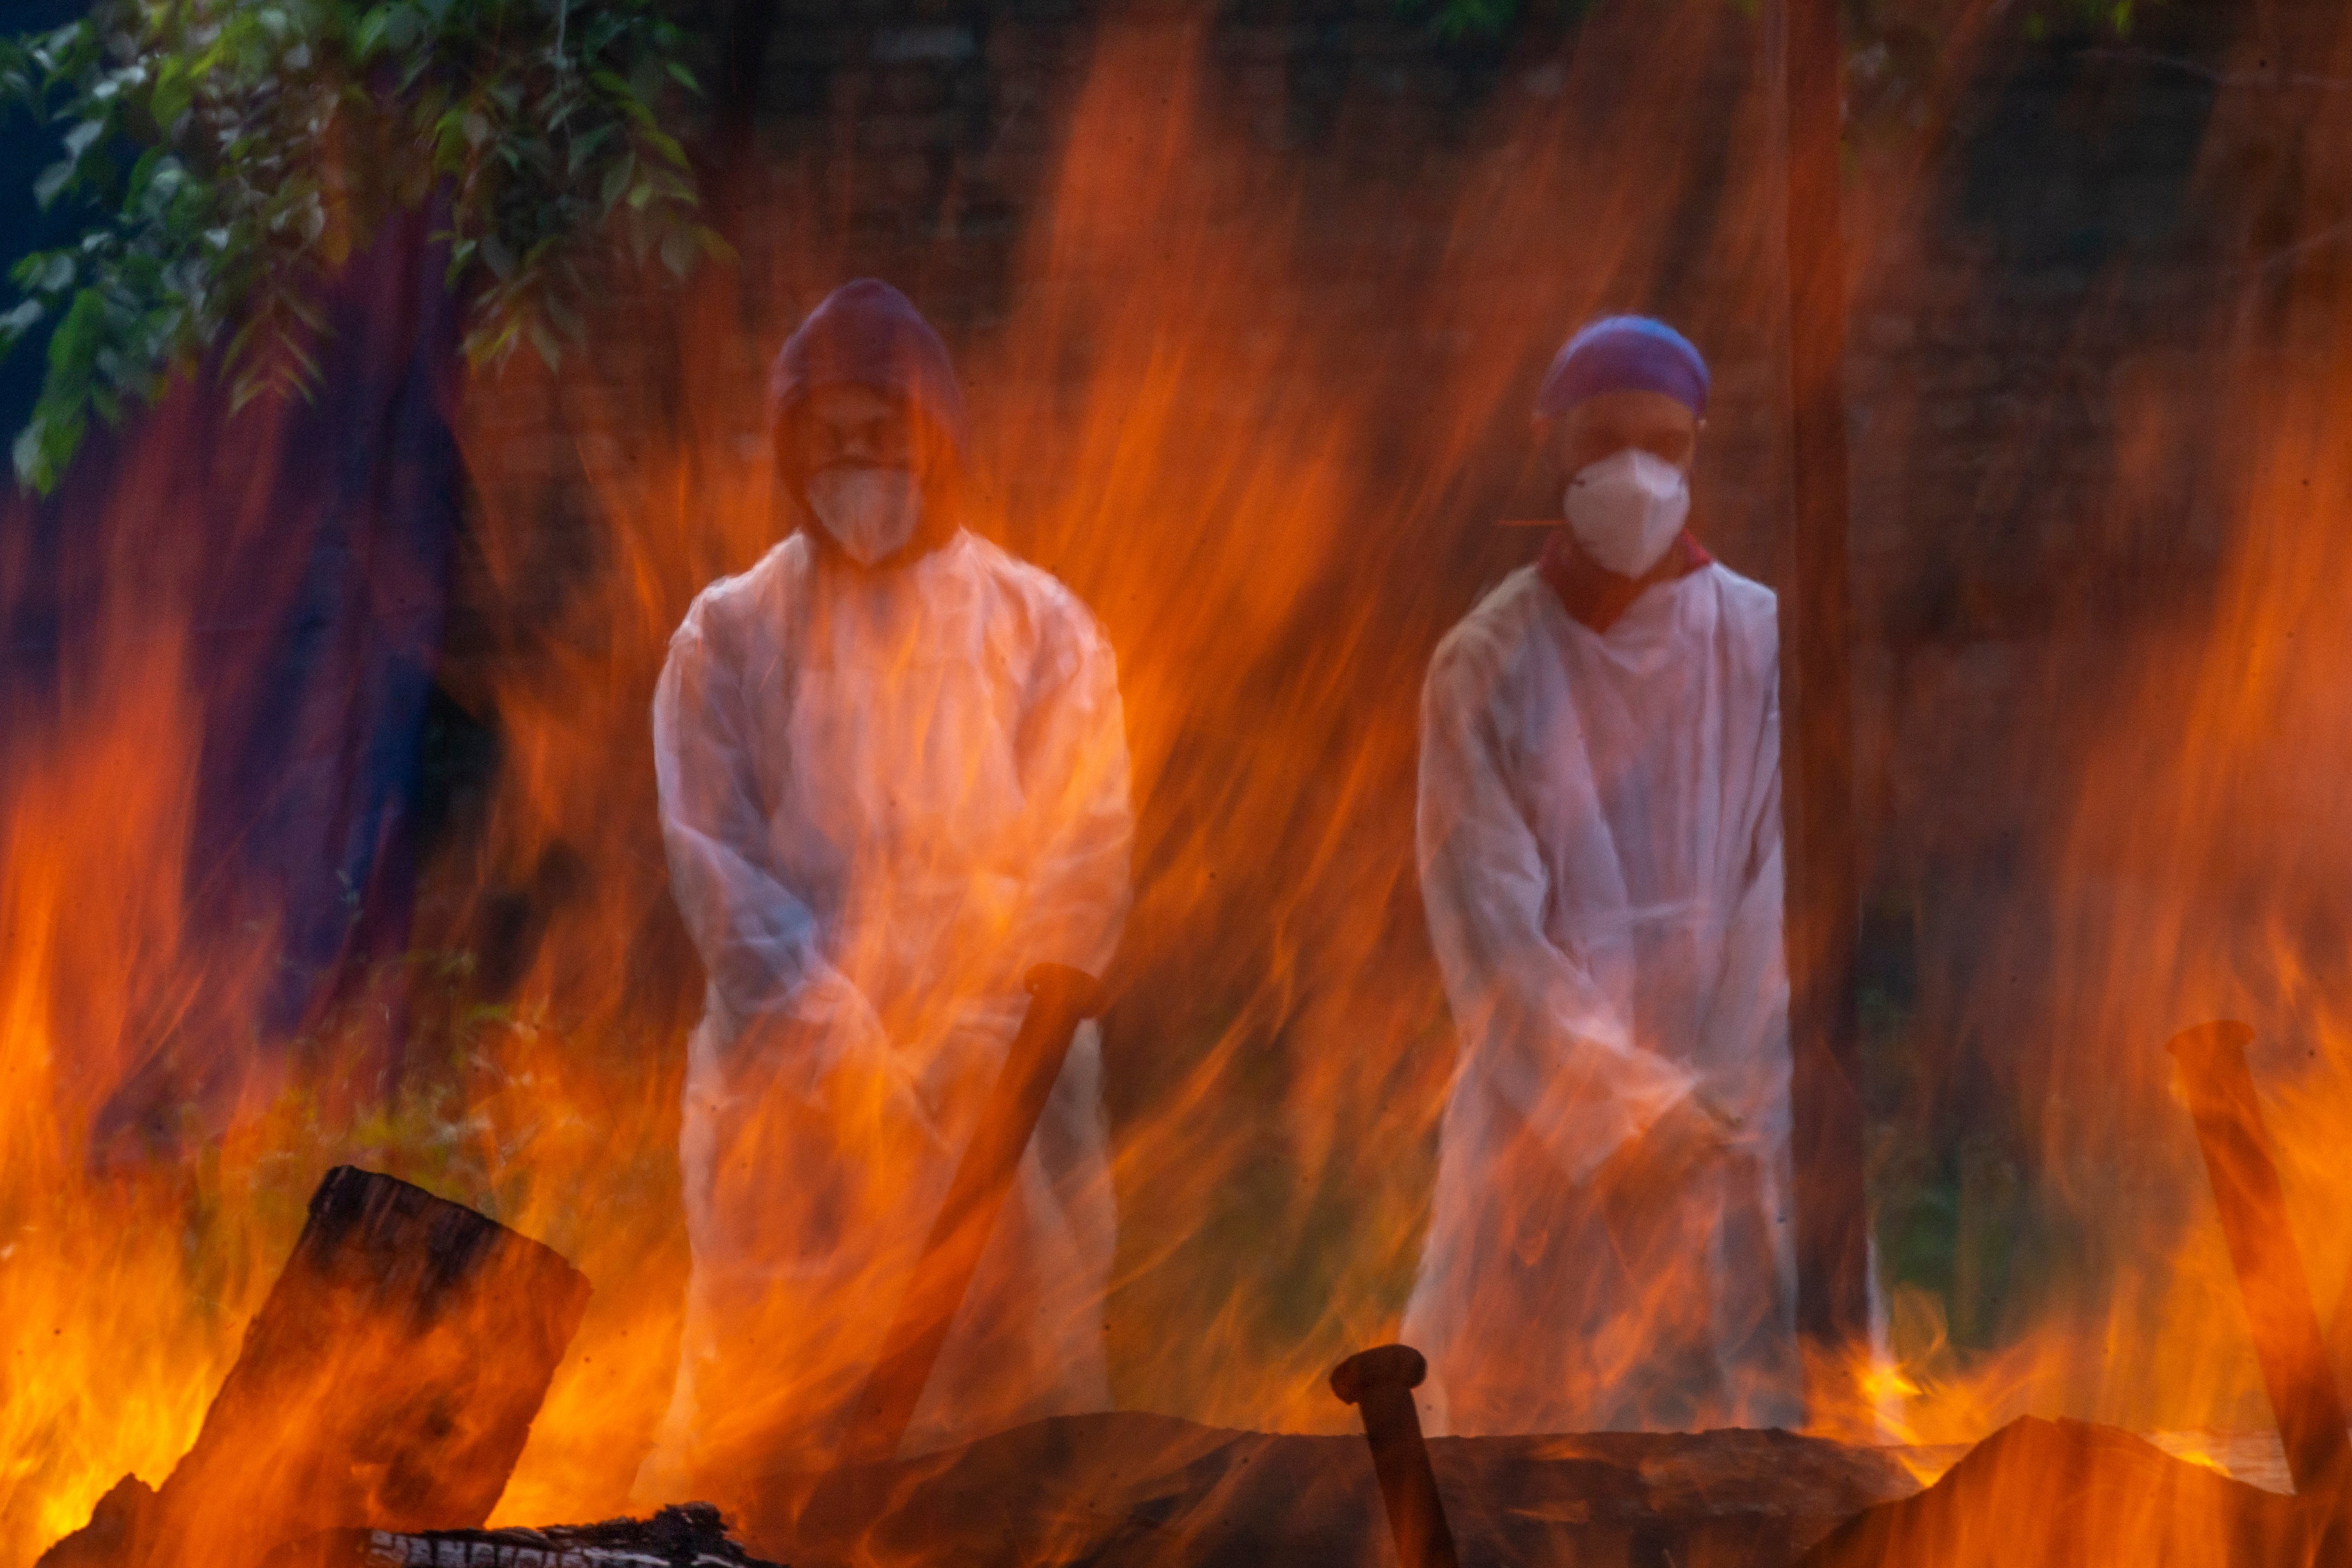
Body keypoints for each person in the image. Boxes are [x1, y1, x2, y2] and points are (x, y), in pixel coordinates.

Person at [647, 280, 1134, 1495]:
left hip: (999, 1100)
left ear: (940, 438)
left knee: (1014, 1425)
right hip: (792, 1108)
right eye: (833, 437)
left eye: (887, 433)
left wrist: (984, 1046)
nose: (861, 463)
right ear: (791, 447)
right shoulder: (729, 635)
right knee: (775, 1425)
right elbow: (717, 863)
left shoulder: (1043, 628)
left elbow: (1083, 861)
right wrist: (842, 1046)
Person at [1400, 315, 1802, 1435]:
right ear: (1552, 448)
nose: (1638, 471)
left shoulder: (1765, 640)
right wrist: (1630, 1115)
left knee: (1770, 1476)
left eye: (1666, 443)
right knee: (1525, 1483)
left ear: (1698, 450)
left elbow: (1785, 896)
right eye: (1606, 438)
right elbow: (1491, 935)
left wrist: (1713, 1106)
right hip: (1545, 1155)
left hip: (1741, 1135)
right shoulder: (1486, 662)